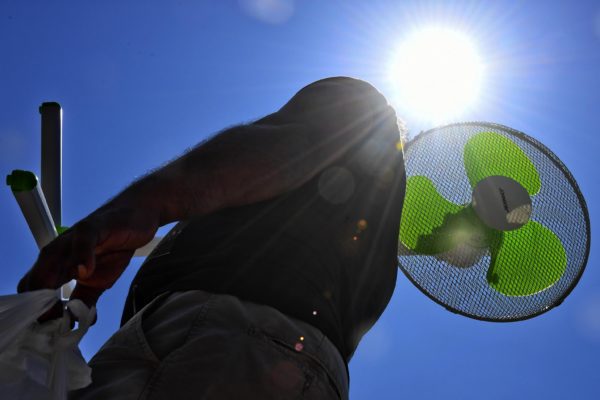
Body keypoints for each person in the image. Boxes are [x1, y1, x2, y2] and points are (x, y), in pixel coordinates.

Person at [18, 77, 406, 399]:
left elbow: (295, 145)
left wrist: (145, 204)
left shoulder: (361, 114)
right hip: (248, 346)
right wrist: (87, 295)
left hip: (233, 336)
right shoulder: (359, 234)